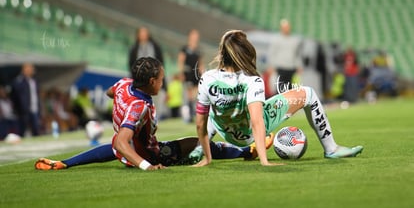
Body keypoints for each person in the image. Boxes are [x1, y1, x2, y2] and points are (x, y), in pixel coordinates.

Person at [35, 57, 272, 171]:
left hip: (131, 149)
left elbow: (110, 93)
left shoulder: (123, 84)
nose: (163, 82)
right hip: (151, 154)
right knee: (201, 145)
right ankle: (246, 151)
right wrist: (147, 166)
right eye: (161, 79)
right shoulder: (139, 107)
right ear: (151, 82)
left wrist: (119, 103)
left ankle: (65, 163)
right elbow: (121, 141)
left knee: (115, 149)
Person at [194, 30, 363, 167]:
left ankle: (198, 150)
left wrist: (207, 157)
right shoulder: (252, 79)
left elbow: (200, 123)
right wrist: (264, 161)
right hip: (249, 135)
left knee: (215, 110)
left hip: (224, 131)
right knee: (308, 94)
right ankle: (331, 149)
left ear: (222, 53)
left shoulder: (207, 78)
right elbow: (257, 121)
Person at [266, 19, 303, 91]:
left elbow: (297, 54)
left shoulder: (294, 40)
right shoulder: (276, 39)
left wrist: (299, 65)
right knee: (280, 88)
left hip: (291, 67)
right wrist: (271, 65)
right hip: (280, 68)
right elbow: (271, 53)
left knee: (291, 89)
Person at [177, 29, 204, 122]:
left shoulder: (198, 50)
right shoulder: (184, 49)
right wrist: (181, 73)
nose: (195, 38)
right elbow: (181, 61)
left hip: (196, 74)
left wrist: (203, 74)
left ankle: (196, 114)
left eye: (196, 36)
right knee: (188, 95)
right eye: (193, 35)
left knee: (196, 95)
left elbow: (200, 64)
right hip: (187, 73)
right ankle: (187, 116)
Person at [10, 63, 41, 137]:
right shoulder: (19, 81)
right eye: (29, 68)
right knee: (22, 129)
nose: (32, 70)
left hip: (34, 108)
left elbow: (36, 95)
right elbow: (14, 95)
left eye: (32, 68)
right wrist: (18, 108)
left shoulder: (34, 81)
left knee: (36, 129)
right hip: (24, 110)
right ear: (24, 70)